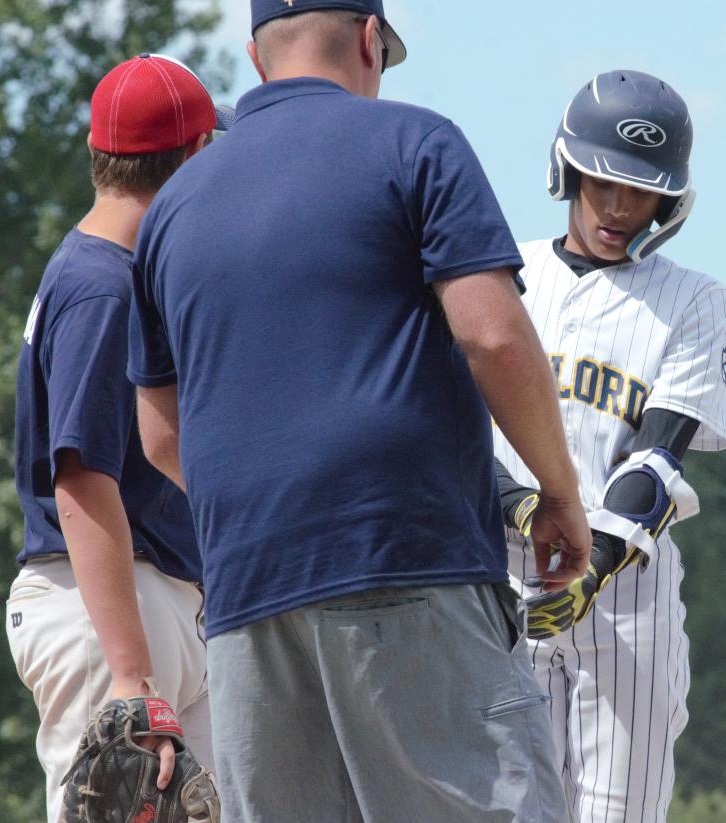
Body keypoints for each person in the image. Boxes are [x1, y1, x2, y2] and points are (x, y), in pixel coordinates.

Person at [125, 1, 591, 820]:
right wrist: (559, 493)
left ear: (257, 58)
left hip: (246, 591)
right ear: (371, 42)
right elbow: (495, 339)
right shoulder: (416, 143)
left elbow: (159, 431)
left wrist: (271, 504)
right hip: (406, 558)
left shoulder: (172, 209)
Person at [492, 70, 726, 822]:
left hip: (625, 602)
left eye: (643, 193)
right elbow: (458, 431)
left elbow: (661, 457)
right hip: (502, 583)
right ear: (570, 169)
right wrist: (524, 511)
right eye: (604, 183)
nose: (622, 208)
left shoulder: (695, 299)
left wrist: (593, 562)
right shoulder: (503, 273)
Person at [4, 53, 229, 823]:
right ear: (194, 157)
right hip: (106, 609)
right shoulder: (102, 284)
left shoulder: (112, 271)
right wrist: (132, 677)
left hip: (145, 599)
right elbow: (81, 479)